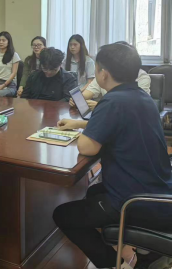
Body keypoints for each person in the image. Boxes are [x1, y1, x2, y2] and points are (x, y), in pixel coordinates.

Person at [54, 43, 172, 270]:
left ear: (103, 73)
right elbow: (122, 123)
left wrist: (86, 130)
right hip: (160, 191)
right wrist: (81, 124)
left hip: (137, 202)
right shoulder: (141, 97)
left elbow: (86, 147)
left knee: (63, 215)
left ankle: (112, 264)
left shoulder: (112, 101)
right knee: (93, 193)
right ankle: (146, 254)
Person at [0, 32, 21, 97]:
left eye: (3, 40)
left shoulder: (14, 55)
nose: (1, 42)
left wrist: (4, 85)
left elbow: (14, 73)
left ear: (8, 42)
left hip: (9, 85)